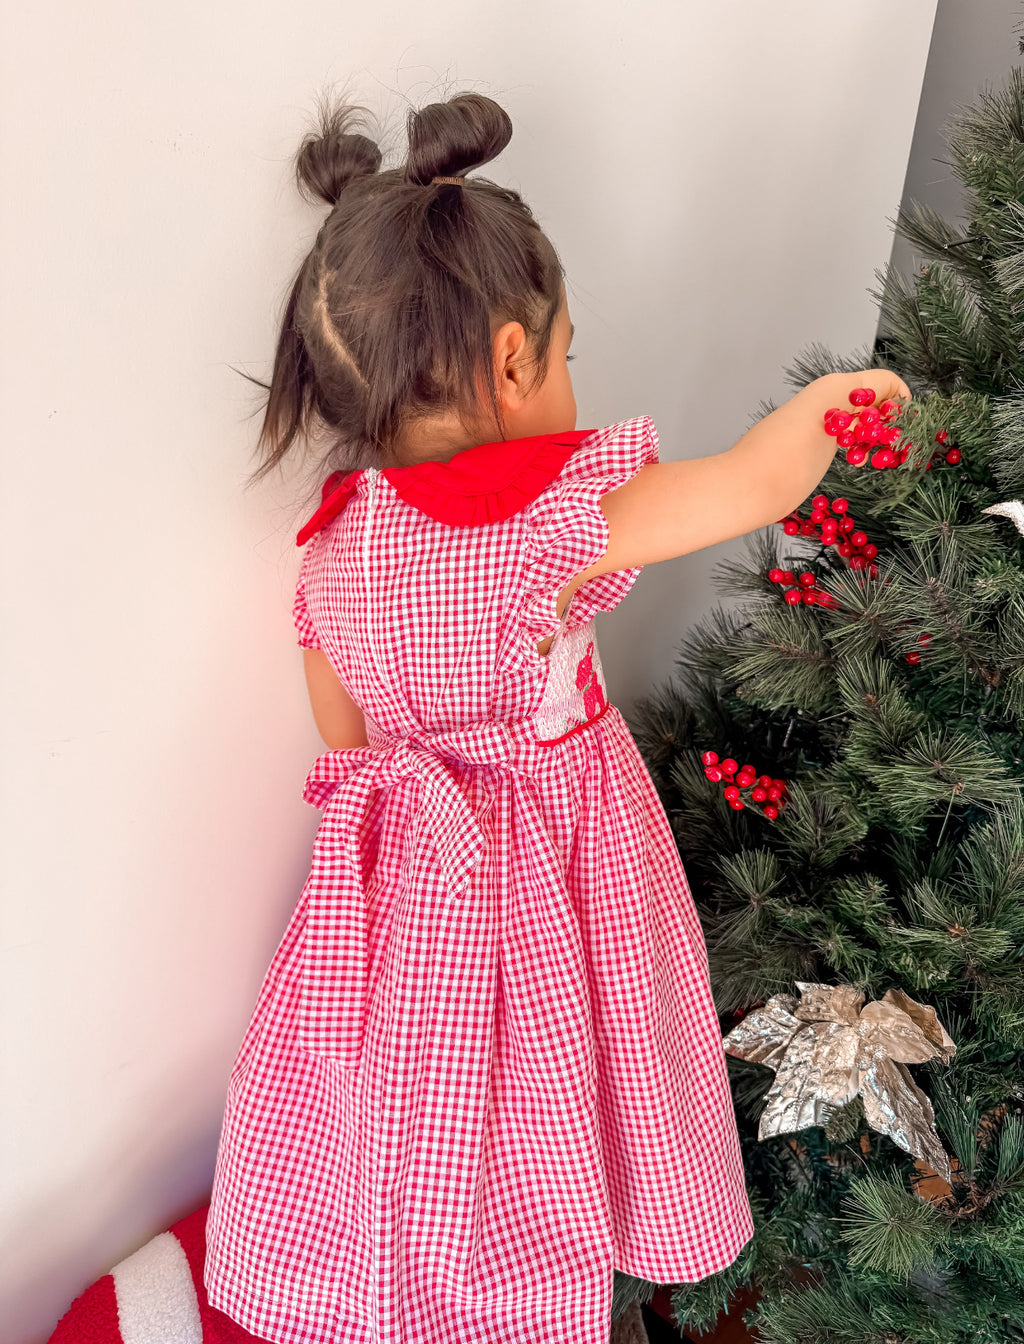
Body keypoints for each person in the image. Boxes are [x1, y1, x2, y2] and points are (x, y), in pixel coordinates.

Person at [202, 89, 913, 1344]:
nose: (572, 372)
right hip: (552, 867)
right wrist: (843, 401)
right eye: (569, 343)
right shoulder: (547, 523)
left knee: (426, 1104)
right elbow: (748, 482)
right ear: (514, 359)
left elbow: (349, 741)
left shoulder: (333, 550)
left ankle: (410, 1291)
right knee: (563, 1075)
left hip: (403, 890)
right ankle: (547, 1291)